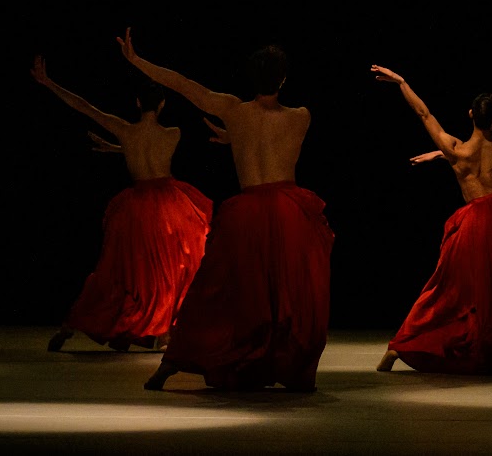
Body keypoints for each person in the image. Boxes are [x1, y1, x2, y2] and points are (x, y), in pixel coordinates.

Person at [117, 30, 333, 392]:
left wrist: (137, 61)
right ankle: (289, 366)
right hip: (289, 211)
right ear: (283, 79)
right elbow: (273, 137)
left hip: (247, 212)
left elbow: (184, 85)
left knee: (217, 288)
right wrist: (238, 138)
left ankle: (170, 364)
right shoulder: (301, 117)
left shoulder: (235, 111)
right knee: (290, 292)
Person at [373, 65, 492, 374]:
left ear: (470, 114)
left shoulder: (456, 149)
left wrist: (402, 82)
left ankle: (402, 346)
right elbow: (486, 154)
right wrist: (441, 155)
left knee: (448, 290)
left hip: (477, 225)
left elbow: (424, 114)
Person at [32, 56, 212, 354]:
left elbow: (85, 107)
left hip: (136, 207)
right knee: (171, 267)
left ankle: (70, 326)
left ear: (137, 103)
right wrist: (120, 149)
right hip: (169, 206)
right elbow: (154, 152)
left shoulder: (125, 130)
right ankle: (164, 331)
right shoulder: (173, 134)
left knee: (119, 271)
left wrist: (49, 83)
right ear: (162, 105)